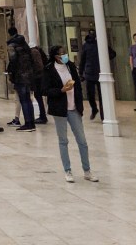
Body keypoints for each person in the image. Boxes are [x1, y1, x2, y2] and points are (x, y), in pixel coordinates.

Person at [44, 43, 99, 183]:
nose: (64, 55)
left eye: (64, 53)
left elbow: (78, 86)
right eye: (61, 53)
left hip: (74, 107)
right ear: (55, 56)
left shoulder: (71, 66)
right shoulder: (49, 70)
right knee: (63, 140)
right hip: (60, 109)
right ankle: (67, 170)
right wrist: (61, 91)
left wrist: (80, 105)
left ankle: (87, 170)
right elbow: (46, 90)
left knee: (82, 140)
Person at [78, 30, 114, 120]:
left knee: (102, 96)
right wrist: (81, 73)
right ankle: (94, 109)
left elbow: (112, 54)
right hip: (89, 73)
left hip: (100, 72)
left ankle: (103, 114)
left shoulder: (101, 44)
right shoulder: (85, 46)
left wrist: (105, 58)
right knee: (90, 95)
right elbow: (82, 59)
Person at [7, 28, 36, 131]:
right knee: (28, 100)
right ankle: (31, 123)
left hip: (20, 77)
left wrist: (11, 74)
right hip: (29, 75)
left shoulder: (12, 46)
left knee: (23, 100)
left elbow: (13, 62)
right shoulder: (25, 46)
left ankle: (28, 123)